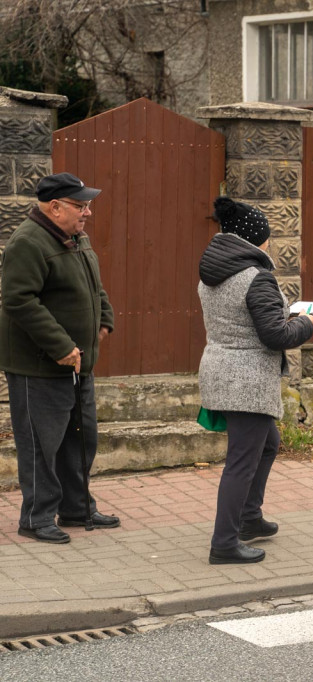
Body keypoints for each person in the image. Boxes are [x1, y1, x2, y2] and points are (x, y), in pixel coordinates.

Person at [0, 172, 118, 544]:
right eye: (80, 205)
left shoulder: (75, 237)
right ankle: (36, 518)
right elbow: (18, 300)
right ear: (54, 207)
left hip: (78, 364)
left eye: (87, 205)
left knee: (81, 439)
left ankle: (76, 507)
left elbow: (93, 284)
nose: (88, 213)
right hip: (41, 365)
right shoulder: (28, 243)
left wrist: (105, 319)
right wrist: (61, 346)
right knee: (41, 445)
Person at [198, 197, 313, 564]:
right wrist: (306, 323)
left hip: (220, 370)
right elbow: (275, 336)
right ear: (257, 239)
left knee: (266, 444)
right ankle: (224, 543)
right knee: (241, 462)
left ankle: (249, 517)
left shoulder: (213, 272)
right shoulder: (255, 277)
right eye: (268, 235)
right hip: (247, 381)